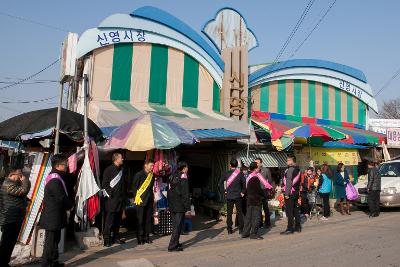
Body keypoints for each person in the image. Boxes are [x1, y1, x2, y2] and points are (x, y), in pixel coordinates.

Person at [40, 154, 72, 267]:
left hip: (55, 216)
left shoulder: (57, 177)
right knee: (50, 243)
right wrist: (70, 206)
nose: (67, 167)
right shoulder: (54, 179)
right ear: (58, 165)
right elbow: (61, 197)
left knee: (55, 241)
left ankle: (53, 262)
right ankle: (46, 264)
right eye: (65, 165)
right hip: (52, 217)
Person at [0, 168, 31, 267]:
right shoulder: (7, 185)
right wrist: (25, 180)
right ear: (12, 175)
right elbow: (23, 191)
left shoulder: (13, 185)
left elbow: (22, 194)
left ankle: (5, 262)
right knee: (6, 243)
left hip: (15, 218)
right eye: (20, 174)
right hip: (9, 220)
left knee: (11, 243)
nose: (21, 176)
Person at [102, 152, 125, 247]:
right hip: (111, 200)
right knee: (109, 221)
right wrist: (112, 194)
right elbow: (105, 184)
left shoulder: (121, 170)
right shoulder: (108, 170)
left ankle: (115, 237)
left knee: (118, 221)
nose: (123, 159)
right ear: (116, 159)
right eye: (121, 157)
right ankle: (106, 239)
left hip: (120, 200)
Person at [167, 162, 191, 252]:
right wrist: (188, 207)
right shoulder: (184, 177)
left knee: (176, 225)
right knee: (177, 226)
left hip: (172, 204)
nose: (187, 169)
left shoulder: (172, 176)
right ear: (184, 168)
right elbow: (185, 193)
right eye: (187, 167)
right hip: (179, 205)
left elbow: (168, 192)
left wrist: (169, 204)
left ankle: (176, 243)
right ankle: (172, 246)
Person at [219, 159, 246, 234]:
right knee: (239, 213)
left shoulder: (226, 173)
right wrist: (243, 192)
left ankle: (229, 229)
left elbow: (220, 184)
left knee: (229, 213)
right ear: (237, 165)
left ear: (230, 165)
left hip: (229, 196)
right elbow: (244, 184)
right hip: (238, 196)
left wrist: (223, 192)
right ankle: (241, 229)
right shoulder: (240, 174)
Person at [133, 159, 155, 245]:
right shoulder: (139, 175)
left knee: (148, 220)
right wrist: (137, 197)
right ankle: (140, 237)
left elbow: (151, 188)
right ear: (145, 165)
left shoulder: (152, 175)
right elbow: (134, 188)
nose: (152, 167)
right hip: (140, 201)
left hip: (149, 201)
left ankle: (146, 236)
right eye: (151, 165)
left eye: (153, 166)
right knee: (140, 220)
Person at [242, 162, 265, 240]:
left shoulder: (248, 176)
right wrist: (266, 194)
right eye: (258, 167)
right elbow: (258, 190)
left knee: (248, 217)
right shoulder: (255, 178)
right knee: (256, 217)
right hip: (255, 200)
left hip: (249, 199)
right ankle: (254, 234)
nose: (259, 168)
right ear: (255, 169)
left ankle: (245, 233)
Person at [280, 155, 301, 235]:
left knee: (289, 211)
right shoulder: (297, 169)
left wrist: (287, 193)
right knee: (295, 210)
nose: (287, 161)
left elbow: (289, 183)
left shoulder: (290, 170)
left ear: (292, 161)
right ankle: (298, 227)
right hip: (295, 192)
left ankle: (289, 228)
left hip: (290, 193)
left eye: (288, 160)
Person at [254, 158, 272, 228]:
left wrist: (269, 190)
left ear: (261, 163)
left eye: (258, 163)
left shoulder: (266, 170)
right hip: (256, 192)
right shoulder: (254, 171)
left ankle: (267, 222)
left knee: (265, 207)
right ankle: (260, 222)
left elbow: (270, 181)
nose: (256, 164)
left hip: (264, 191)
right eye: (255, 163)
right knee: (258, 208)